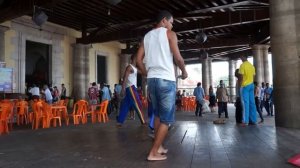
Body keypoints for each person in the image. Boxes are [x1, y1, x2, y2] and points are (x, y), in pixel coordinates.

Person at [136, 10, 188, 161]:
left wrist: (147, 73)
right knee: (167, 119)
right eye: (171, 22)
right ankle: (153, 152)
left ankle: (158, 146)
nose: (172, 25)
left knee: (158, 115)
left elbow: (139, 60)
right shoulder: (169, 34)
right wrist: (184, 71)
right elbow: (178, 58)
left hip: (152, 81)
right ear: (164, 21)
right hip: (166, 80)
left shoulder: (147, 36)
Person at [117, 54, 145, 126]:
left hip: (130, 88)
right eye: (137, 58)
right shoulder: (129, 67)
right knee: (138, 104)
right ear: (134, 58)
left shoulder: (135, 68)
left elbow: (143, 72)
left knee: (126, 105)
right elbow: (125, 77)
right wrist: (123, 89)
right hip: (130, 88)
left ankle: (120, 121)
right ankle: (143, 121)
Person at [238, 55, 256, 126]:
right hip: (251, 85)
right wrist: (251, 83)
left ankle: (246, 121)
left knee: (245, 103)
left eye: (241, 57)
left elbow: (241, 76)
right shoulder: (252, 66)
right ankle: (253, 120)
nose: (241, 59)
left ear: (243, 57)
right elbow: (253, 76)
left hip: (245, 86)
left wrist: (240, 85)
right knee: (252, 103)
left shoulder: (242, 65)